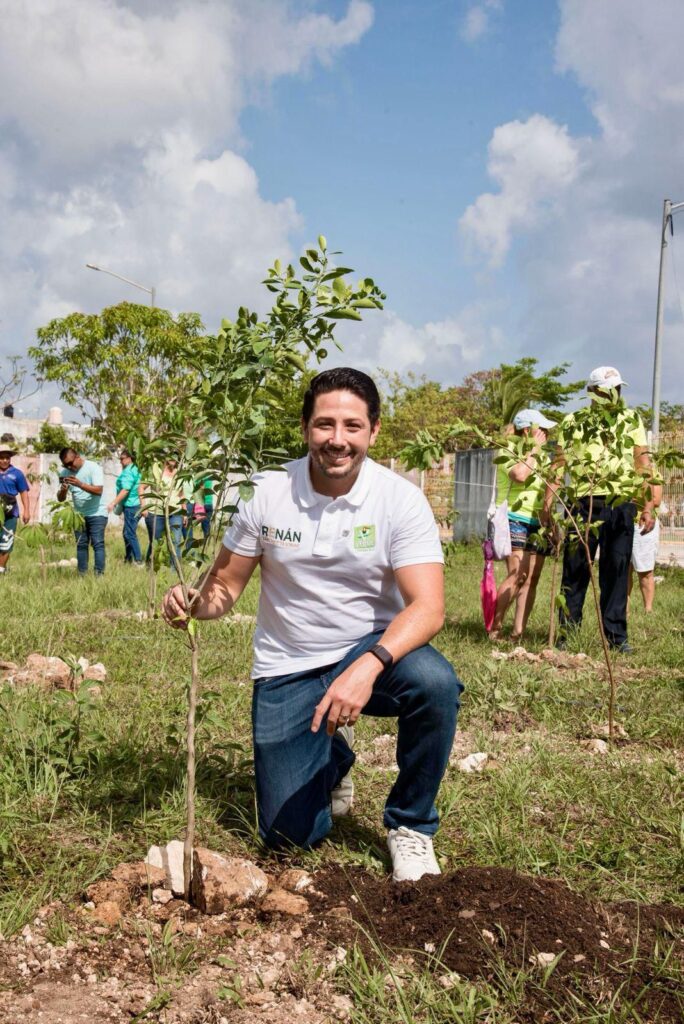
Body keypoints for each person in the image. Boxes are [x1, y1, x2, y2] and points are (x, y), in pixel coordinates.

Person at [162, 367, 463, 882]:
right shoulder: (266, 492)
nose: (337, 439)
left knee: (435, 684)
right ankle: (333, 759)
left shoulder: (399, 498)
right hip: (289, 663)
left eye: (352, 426)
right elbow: (226, 585)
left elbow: (428, 608)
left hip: (372, 650)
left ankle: (411, 825)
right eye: (325, 424)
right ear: (305, 428)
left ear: (374, 431)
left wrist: (368, 665)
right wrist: (193, 602)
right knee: (287, 837)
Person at [543, 366, 656, 653]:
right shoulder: (573, 421)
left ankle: (617, 639)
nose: (613, 395)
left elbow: (642, 463)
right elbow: (558, 466)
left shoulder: (630, 419)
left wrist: (647, 505)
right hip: (582, 503)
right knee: (575, 570)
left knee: (616, 570)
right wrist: (548, 505)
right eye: (607, 391)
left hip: (620, 503)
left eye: (617, 389)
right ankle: (567, 636)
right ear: (592, 392)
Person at [489, 409, 555, 643]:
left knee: (532, 578)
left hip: (537, 521)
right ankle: (495, 628)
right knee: (518, 575)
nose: (546, 434)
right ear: (527, 430)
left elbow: (549, 486)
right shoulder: (507, 450)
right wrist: (534, 450)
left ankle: (517, 633)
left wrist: (550, 517)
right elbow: (519, 474)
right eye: (542, 429)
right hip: (514, 517)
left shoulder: (543, 456)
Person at [57, 447, 108, 576]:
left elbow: (99, 490)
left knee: (98, 544)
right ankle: (82, 575)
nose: (69, 467)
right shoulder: (65, 473)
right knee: (81, 545)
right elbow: (60, 498)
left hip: (97, 513)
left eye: (70, 463)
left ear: (78, 456)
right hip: (79, 515)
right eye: (66, 465)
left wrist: (80, 484)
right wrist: (63, 490)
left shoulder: (93, 467)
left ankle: (99, 575)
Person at [140, 459, 186, 566]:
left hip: (175, 512)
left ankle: (174, 571)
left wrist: (184, 512)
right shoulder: (156, 470)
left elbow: (181, 494)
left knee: (176, 541)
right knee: (156, 542)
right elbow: (141, 487)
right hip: (156, 512)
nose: (173, 459)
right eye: (171, 455)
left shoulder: (180, 472)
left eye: (176, 455)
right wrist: (143, 507)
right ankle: (151, 566)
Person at [0, 434, 30, 576]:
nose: (4, 460)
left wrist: (26, 511)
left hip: (11, 512)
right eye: (1, 458)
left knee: (6, 541)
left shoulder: (17, 474)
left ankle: (1, 569)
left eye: (7, 458)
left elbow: (24, 492)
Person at [628, 492, 663, 613]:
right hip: (621, 522)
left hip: (642, 524)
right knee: (623, 570)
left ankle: (648, 611)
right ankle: (624, 611)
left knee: (645, 571)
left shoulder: (651, 478)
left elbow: (656, 500)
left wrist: (627, 498)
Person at [108, 449, 143, 566]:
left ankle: (138, 560)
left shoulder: (128, 471)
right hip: (135, 504)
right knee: (126, 533)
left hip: (131, 506)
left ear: (129, 458)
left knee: (129, 533)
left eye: (122, 459)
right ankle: (128, 558)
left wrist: (113, 503)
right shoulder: (135, 469)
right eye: (120, 459)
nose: (121, 461)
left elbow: (125, 490)